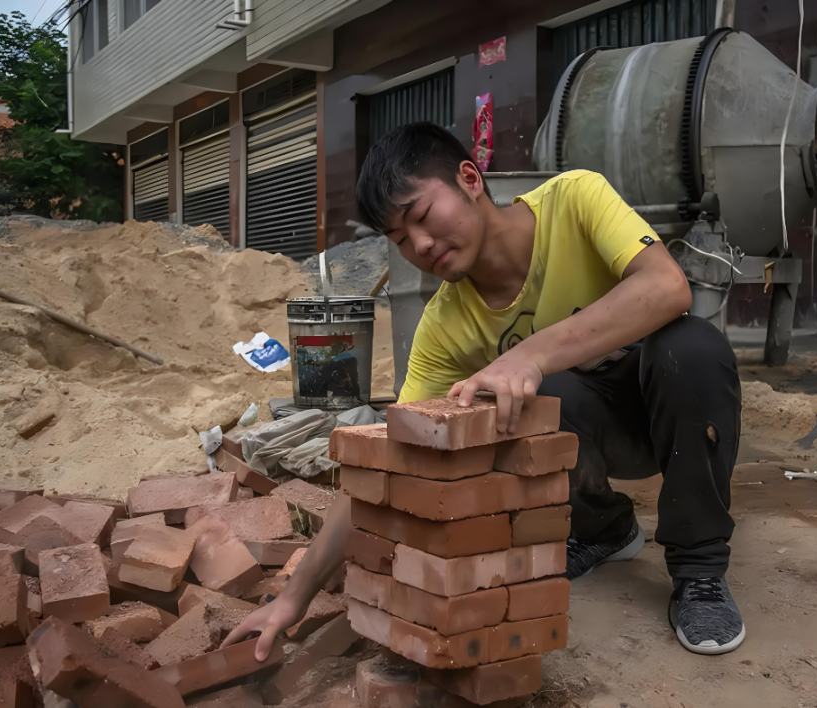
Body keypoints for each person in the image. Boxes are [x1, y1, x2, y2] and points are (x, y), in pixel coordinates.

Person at [223, 122, 744, 660]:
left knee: (693, 348)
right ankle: (603, 526)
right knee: (517, 401)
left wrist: (530, 355)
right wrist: (293, 598)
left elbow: (666, 286)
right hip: (593, 433)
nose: (420, 245)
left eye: (421, 216)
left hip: (671, 411)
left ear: (469, 178)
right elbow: (387, 459)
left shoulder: (575, 199)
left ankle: (699, 567)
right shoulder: (444, 325)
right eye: (400, 240)